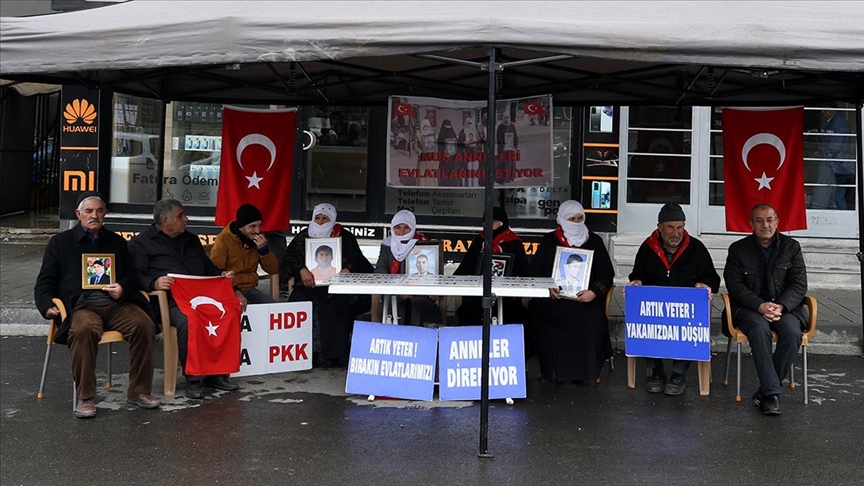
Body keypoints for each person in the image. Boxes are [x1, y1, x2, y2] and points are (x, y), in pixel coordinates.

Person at [34, 192, 160, 418]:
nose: (95, 215)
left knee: (144, 324)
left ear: (105, 214)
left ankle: (139, 391)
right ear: (78, 214)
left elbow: (132, 276)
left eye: (100, 211)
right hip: (81, 306)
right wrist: (46, 306)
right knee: (83, 329)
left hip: (115, 304)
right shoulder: (60, 243)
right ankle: (86, 397)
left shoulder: (116, 241)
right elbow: (45, 280)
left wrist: (122, 287)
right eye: (89, 211)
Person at [129, 198, 244, 399]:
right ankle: (193, 377)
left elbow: (207, 267)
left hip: (200, 296)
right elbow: (135, 276)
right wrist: (154, 283)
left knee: (229, 312)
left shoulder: (191, 239)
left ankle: (216, 373)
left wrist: (222, 275)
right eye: (180, 216)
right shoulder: (141, 243)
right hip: (169, 301)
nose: (186, 219)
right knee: (190, 319)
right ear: (165, 221)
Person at [626, 202, 721, 396]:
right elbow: (637, 274)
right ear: (660, 227)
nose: (676, 233)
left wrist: (704, 285)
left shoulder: (696, 248)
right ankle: (657, 372)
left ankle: (678, 374)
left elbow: (712, 277)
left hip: (685, 312)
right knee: (643, 322)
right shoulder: (647, 247)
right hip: (655, 310)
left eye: (680, 227)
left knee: (691, 327)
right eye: (670, 227)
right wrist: (636, 281)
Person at [724, 203, 807, 416]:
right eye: (759, 220)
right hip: (749, 308)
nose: (765, 225)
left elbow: (799, 285)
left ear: (777, 222)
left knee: (793, 332)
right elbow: (734, 285)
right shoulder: (738, 249)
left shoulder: (791, 247)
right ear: (751, 224)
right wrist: (759, 305)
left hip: (783, 308)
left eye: (770, 220)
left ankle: (766, 391)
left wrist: (781, 306)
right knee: (759, 330)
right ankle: (771, 395)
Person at [528, 200, 614, 383]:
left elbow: (607, 274)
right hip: (554, 299)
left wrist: (593, 292)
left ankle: (586, 372)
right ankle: (553, 372)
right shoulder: (549, 241)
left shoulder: (594, 241)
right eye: (571, 219)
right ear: (561, 219)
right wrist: (548, 287)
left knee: (590, 320)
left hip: (586, 300)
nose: (575, 223)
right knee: (544, 315)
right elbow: (534, 271)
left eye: (579, 218)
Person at [284, 203, 373, 367]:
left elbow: (361, 263)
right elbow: (287, 260)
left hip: (337, 286)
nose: (320, 222)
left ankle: (334, 356)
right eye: (317, 218)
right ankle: (303, 353)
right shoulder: (303, 236)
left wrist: (348, 269)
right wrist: (301, 270)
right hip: (309, 285)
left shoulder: (344, 237)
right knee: (299, 300)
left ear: (332, 219)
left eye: (324, 218)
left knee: (337, 304)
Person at [453, 207, 529, 331]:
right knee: (469, 310)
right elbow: (466, 266)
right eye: (485, 221)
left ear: (501, 223)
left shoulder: (514, 243)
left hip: (507, 294)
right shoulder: (479, 240)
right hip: (479, 292)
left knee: (512, 311)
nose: (487, 224)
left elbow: (523, 271)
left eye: (492, 221)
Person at [374, 210, 440, 326]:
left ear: (412, 228)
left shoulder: (423, 243)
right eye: (398, 228)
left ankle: (418, 337)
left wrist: (433, 289)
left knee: (419, 304)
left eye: (406, 228)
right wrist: (397, 289)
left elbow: (432, 270)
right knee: (395, 305)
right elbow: (380, 269)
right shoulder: (387, 245)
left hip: (421, 292)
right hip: (394, 291)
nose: (401, 232)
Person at [210, 203, 279, 304]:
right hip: (229, 289)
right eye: (252, 226)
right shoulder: (224, 239)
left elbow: (273, 269)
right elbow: (216, 271)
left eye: (259, 225)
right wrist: (235, 290)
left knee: (273, 307)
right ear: (241, 227)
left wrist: (264, 250)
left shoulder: (258, 240)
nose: (257, 230)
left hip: (250, 289)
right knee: (246, 308)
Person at [812, 109, 855, 210]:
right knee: (836, 195)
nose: (822, 112)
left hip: (838, 165)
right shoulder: (835, 122)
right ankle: (840, 214)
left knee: (836, 195)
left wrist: (822, 153)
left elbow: (835, 146)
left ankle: (840, 214)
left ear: (832, 109)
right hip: (839, 164)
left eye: (825, 109)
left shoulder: (838, 124)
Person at [495, 111, 518, 183]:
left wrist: (515, 147)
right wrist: (503, 147)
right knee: (504, 165)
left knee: (511, 164)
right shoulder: (500, 127)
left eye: (508, 117)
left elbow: (515, 137)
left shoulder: (512, 126)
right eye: (506, 117)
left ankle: (511, 178)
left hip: (511, 149)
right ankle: (504, 179)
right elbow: (499, 138)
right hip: (504, 150)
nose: (507, 119)